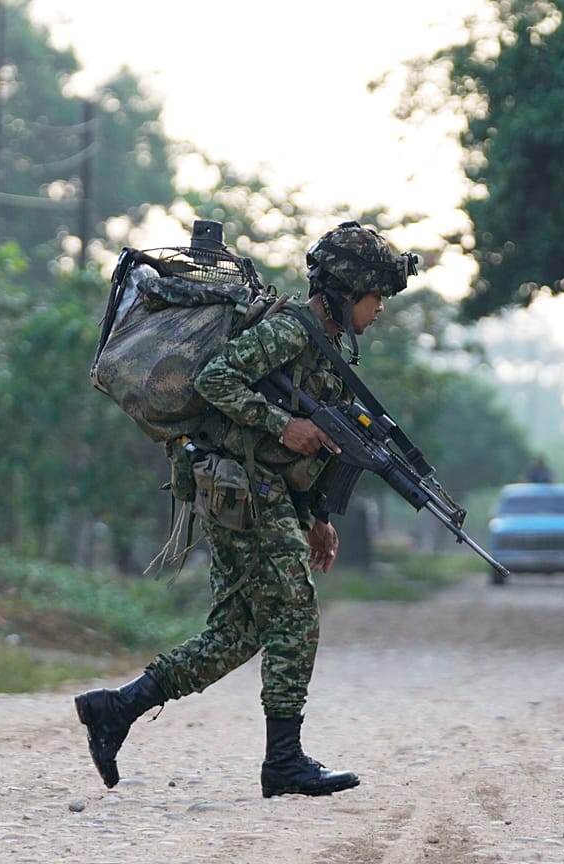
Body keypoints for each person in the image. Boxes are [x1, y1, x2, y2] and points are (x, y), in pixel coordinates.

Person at [76, 221, 417, 797]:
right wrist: (285, 425)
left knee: (239, 630)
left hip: (256, 491)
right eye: (375, 297)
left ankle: (117, 709)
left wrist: (318, 517)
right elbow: (216, 379)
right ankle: (283, 762)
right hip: (244, 490)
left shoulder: (321, 346)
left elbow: (316, 443)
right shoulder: (291, 330)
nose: (379, 309)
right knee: (295, 614)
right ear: (345, 291)